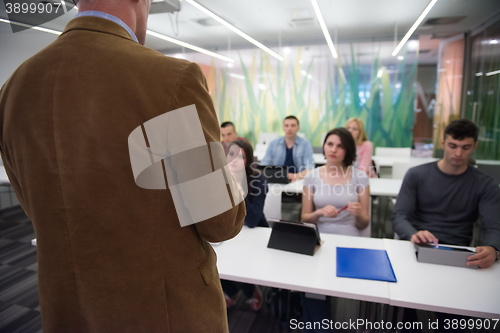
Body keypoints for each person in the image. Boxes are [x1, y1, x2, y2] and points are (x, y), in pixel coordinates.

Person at [0, 0, 246, 332]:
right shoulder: (170, 79)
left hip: (65, 308)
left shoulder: (14, 87)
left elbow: (36, 206)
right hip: (163, 312)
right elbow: (220, 221)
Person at [392, 119, 500, 269]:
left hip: (458, 252)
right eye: (452, 146)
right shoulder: (416, 175)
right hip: (415, 246)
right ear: (442, 143)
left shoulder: (487, 185)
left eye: (466, 147)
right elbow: (399, 216)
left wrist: (493, 248)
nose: (458, 153)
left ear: (475, 146)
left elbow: (493, 226)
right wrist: (412, 233)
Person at [300, 128, 370, 332]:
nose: (334, 149)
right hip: (320, 240)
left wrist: (358, 213)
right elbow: (305, 217)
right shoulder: (312, 177)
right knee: (314, 290)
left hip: (350, 240)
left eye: (340, 146)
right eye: (330, 144)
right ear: (324, 147)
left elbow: (364, 223)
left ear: (347, 150)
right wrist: (319, 212)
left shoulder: (360, 177)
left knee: (345, 293)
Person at [222, 140, 268, 311]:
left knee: (235, 261)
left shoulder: (257, 180)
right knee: (214, 258)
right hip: (227, 233)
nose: (234, 160)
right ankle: (231, 290)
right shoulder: (218, 179)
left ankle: (249, 292)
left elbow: (253, 220)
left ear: (248, 161)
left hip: (254, 233)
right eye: (231, 154)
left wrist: (240, 196)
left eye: (241, 156)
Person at [260, 115, 315, 182]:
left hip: (298, 180)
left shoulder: (305, 144)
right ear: (283, 128)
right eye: (286, 125)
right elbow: (264, 164)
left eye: (293, 125)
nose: (289, 128)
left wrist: (297, 175)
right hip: (277, 180)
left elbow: (310, 167)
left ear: (298, 128)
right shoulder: (273, 144)